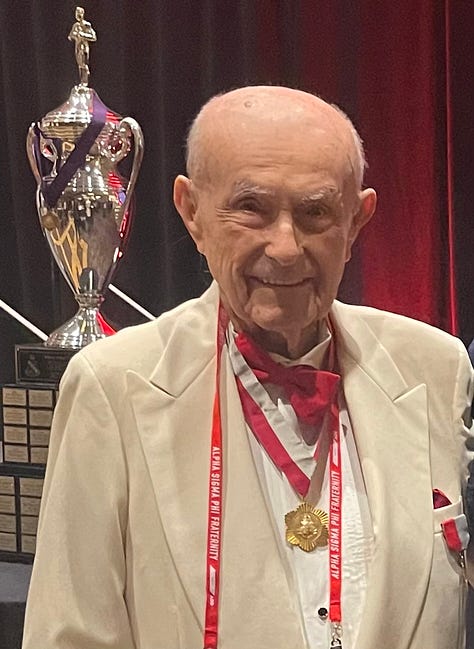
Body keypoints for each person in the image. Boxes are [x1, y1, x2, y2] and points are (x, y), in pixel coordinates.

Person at [22, 86, 473, 649]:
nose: (285, 247)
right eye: (252, 208)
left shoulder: (436, 370)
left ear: (357, 222)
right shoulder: (111, 391)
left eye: (315, 213)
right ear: (193, 214)